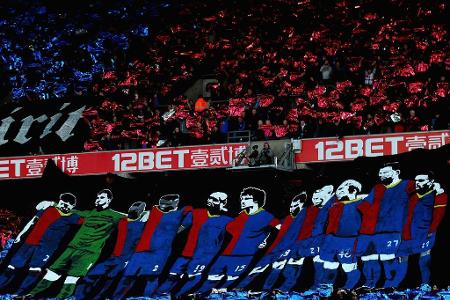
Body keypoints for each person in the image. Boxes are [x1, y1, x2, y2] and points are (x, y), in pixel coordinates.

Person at [29, 189, 126, 299]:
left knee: (72, 278)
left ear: (108, 200)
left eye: (102, 198)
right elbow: (70, 210)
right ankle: (31, 295)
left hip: (89, 252)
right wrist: (52, 203)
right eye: (97, 197)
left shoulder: (115, 216)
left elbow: (131, 217)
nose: (98, 199)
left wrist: (145, 213)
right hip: (72, 247)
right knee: (52, 273)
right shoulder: (89, 213)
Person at [195, 187, 279, 295]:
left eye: (246, 198)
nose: (242, 201)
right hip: (227, 252)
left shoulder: (266, 216)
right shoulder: (242, 214)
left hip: (243, 255)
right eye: (242, 198)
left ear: (256, 200)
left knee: (230, 281)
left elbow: (280, 229)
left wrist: (266, 240)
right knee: (212, 276)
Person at [112, 194, 193, 299]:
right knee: (129, 275)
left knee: (151, 277)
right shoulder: (152, 211)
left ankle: (148, 297)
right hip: (141, 250)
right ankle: (116, 297)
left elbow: (189, 217)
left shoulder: (181, 212)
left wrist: (176, 231)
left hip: (160, 252)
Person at [0, 193, 81, 295]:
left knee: (34, 270)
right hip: (30, 242)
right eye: (62, 203)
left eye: (67, 204)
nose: (63, 206)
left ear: (72, 206)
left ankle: (20, 294)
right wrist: (20, 235)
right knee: (11, 267)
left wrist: (72, 210)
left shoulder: (73, 217)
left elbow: (89, 217)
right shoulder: (48, 209)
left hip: (46, 248)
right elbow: (33, 218)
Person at [156, 192, 233, 297]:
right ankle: (160, 295)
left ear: (223, 203)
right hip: (187, 252)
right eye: (210, 198)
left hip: (205, 257)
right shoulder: (196, 213)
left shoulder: (228, 221)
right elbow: (181, 228)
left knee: (192, 277)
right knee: (173, 275)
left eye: (214, 200)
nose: (210, 201)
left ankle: (180, 295)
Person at [356, 163, 414, 288]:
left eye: (385, 172)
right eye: (380, 173)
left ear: (397, 172)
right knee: (375, 258)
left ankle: (392, 285)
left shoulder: (408, 185)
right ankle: (371, 285)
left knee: (391, 259)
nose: (382, 175)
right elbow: (364, 206)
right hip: (377, 231)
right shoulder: (378, 188)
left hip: (397, 229)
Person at [235, 192, 308, 290]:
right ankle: (240, 288)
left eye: (296, 206)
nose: (292, 208)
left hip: (292, 250)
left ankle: (273, 290)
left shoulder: (306, 221)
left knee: (284, 269)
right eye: (291, 206)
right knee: (259, 268)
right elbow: (271, 227)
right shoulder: (286, 219)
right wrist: (264, 239)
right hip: (275, 249)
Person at [74, 201, 147, 299]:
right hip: (109, 256)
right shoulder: (121, 220)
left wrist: (127, 260)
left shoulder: (139, 226)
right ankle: (80, 297)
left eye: (135, 212)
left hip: (122, 259)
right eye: (131, 211)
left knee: (107, 280)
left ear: (140, 213)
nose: (131, 213)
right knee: (91, 276)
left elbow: (137, 245)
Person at [272, 184, 335, 292]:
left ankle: (321, 289)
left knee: (320, 262)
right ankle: (286, 289)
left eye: (321, 190)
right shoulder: (308, 210)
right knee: (293, 262)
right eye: (316, 191)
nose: (316, 193)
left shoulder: (333, 207)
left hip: (322, 242)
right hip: (303, 242)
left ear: (331, 194)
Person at [389, 172, 447, 287]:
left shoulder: (438, 196)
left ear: (431, 182)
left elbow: (439, 214)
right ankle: (396, 285)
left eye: (421, 181)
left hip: (425, 233)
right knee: (400, 259)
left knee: (424, 260)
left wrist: (431, 231)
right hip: (407, 234)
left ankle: (425, 284)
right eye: (416, 181)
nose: (417, 183)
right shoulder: (412, 196)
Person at [320, 180, 364, 289]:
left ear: (353, 190)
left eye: (341, 189)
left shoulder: (361, 203)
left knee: (348, 267)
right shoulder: (333, 205)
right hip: (331, 239)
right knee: (329, 265)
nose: (337, 193)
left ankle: (349, 288)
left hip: (349, 240)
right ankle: (327, 289)